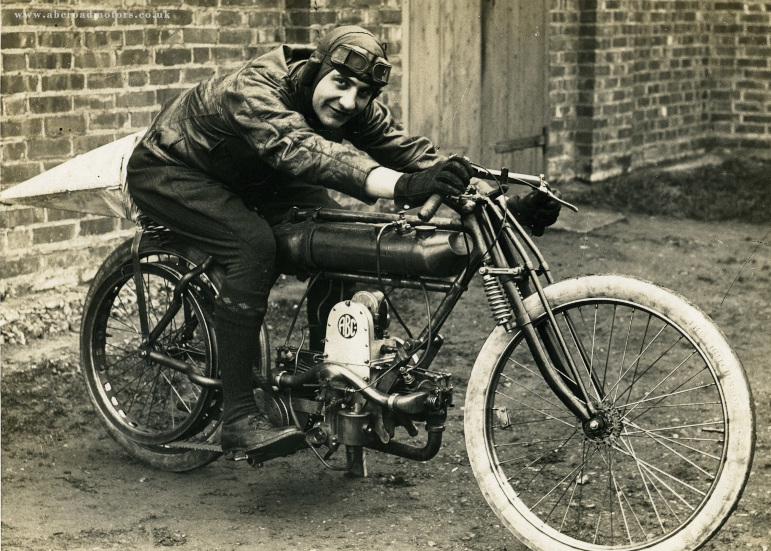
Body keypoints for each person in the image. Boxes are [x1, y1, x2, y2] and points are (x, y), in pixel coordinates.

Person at [126, 26, 559, 461]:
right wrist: (405, 187)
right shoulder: (255, 87)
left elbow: (412, 152)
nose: (350, 101)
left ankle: (326, 380)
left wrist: (497, 200)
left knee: (335, 237)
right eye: (341, 83)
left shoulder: (353, 106)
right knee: (252, 246)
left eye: (364, 92)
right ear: (316, 70)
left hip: (256, 177)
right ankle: (239, 418)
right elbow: (301, 148)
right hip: (174, 169)